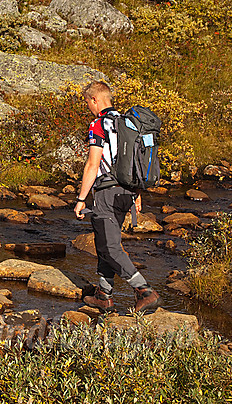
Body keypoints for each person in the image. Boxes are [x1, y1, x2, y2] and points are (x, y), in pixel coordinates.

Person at [74, 80, 160, 313]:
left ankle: (144, 290)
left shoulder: (98, 124)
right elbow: (136, 162)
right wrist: (137, 194)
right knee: (104, 242)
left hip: (107, 193)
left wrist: (81, 199)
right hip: (128, 193)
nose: (89, 108)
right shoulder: (128, 123)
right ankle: (104, 294)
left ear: (94, 100)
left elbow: (93, 164)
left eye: (88, 103)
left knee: (110, 247)